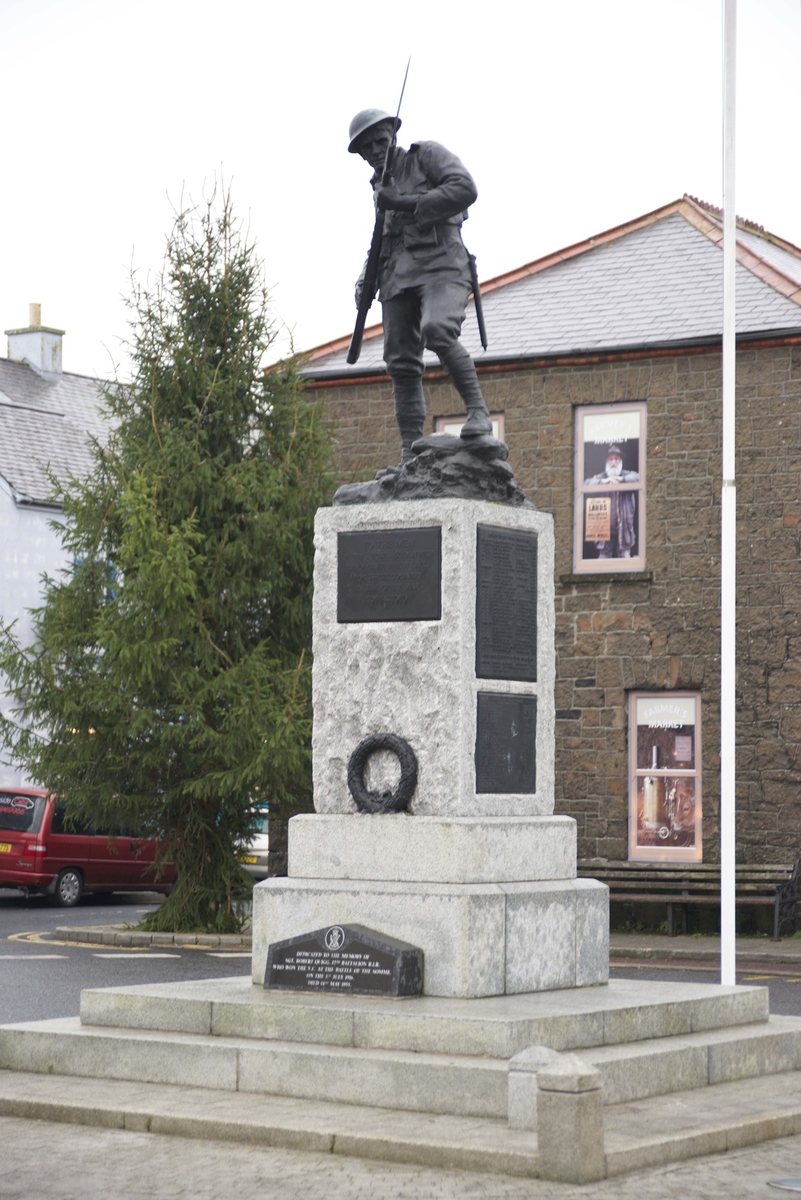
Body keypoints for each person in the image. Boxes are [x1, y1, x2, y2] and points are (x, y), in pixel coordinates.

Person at [348, 108, 492, 464]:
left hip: (442, 264)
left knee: (437, 329)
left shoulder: (425, 155)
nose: (376, 151)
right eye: (367, 149)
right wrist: (368, 275)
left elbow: (465, 188)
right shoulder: (378, 186)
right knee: (400, 361)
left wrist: (403, 202)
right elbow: (381, 236)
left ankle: (478, 413)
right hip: (396, 275)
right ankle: (409, 449)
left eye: (380, 141)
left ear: (392, 136)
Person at [583, 445, 640, 558]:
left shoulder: (627, 475)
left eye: (616, 459)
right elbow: (586, 484)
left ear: (621, 462)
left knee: (625, 563)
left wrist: (622, 480)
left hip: (624, 531)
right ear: (606, 462)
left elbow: (640, 478)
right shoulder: (602, 477)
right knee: (602, 563)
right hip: (604, 532)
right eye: (610, 459)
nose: (613, 462)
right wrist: (604, 482)